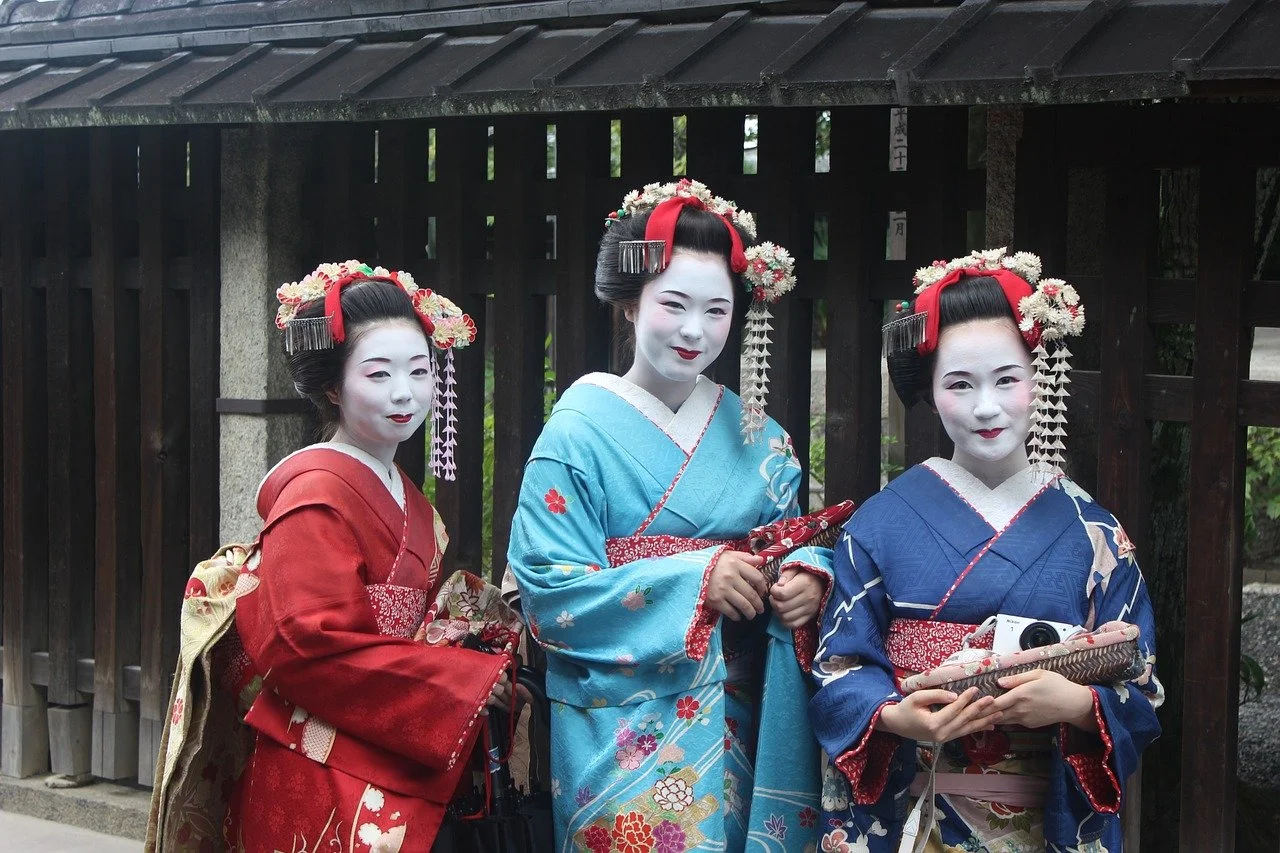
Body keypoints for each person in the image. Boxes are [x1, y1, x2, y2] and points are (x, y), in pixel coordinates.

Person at [506, 179, 840, 852]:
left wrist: (807, 574)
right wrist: (697, 581)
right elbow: (546, 591)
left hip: (740, 717)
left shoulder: (762, 439)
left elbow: (795, 540)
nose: (695, 329)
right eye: (674, 304)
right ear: (630, 304)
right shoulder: (576, 432)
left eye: (717, 310)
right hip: (623, 728)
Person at [146, 260, 515, 853]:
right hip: (318, 758)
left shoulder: (403, 493)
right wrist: (456, 681)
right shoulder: (314, 496)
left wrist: (464, 654)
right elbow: (305, 645)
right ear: (331, 388)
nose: (405, 392)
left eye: (420, 372)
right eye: (379, 373)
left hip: (389, 734)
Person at [810, 249, 1163, 853]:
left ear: (1040, 376)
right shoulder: (882, 523)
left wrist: (1079, 703)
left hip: (1045, 812)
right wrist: (897, 715)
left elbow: (1143, 681)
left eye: (1007, 379)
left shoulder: (1094, 531)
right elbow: (836, 665)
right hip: (914, 809)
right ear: (929, 390)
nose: (986, 407)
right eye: (959, 384)